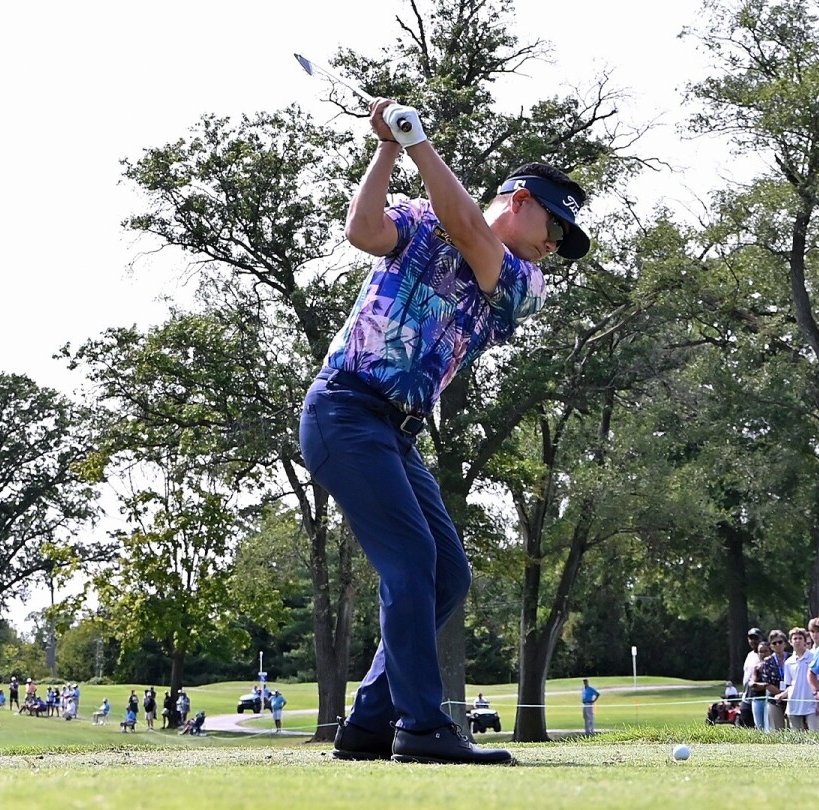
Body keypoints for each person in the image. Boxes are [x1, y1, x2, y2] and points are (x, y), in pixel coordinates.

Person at [304, 96, 588, 768]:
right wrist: (387, 149)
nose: (556, 244)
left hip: (392, 432)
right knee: (411, 561)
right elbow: (363, 229)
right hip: (343, 409)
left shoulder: (525, 282)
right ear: (519, 199)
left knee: (447, 574)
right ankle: (423, 728)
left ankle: (370, 724)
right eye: (556, 224)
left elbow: (468, 233)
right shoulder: (422, 219)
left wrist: (418, 141)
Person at [779, 627, 819, 731]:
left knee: (815, 735)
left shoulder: (813, 657)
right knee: (796, 738)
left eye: (800, 638)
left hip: (811, 704)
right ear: (790, 642)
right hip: (794, 705)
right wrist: (782, 695)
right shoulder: (788, 662)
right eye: (795, 638)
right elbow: (790, 685)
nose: (797, 641)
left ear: (805, 641)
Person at [740, 628, 765, 729]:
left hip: (759, 696)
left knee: (760, 727)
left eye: (755, 638)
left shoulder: (764, 654)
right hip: (746, 697)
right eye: (750, 638)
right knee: (747, 725)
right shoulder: (750, 655)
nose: (753, 641)